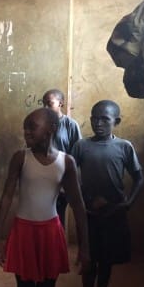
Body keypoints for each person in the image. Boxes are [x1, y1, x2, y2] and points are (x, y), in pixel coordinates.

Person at [0, 108, 89, 287]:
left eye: (31, 127)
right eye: (25, 127)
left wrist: (85, 247)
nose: (26, 132)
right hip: (23, 231)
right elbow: (6, 197)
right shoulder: (20, 158)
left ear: (51, 129)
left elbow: (78, 205)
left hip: (49, 233)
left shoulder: (66, 162)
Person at [71, 100, 144, 287]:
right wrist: (81, 202)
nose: (98, 123)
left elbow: (139, 178)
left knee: (107, 262)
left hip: (113, 214)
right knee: (88, 260)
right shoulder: (81, 146)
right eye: (94, 118)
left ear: (117, 122)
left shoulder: (124, 147)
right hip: (90, 214)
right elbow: (71, 178)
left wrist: (128, 203)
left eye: (105, 119)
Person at [42, 89, 82, 227]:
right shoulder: (42, 125)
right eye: (44, 104)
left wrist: (68, 180)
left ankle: (57, 246)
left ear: (61, 103)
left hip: (62, 177)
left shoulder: (70, 125)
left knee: (58, 217)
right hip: (44, 176)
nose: (46, 107)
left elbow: (76, 153)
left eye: (49, 103)